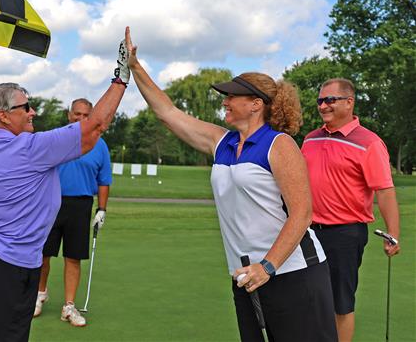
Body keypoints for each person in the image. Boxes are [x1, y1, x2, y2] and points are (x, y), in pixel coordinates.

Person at [125, 27, 337, 342]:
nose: (225, 101)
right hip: (246, 277)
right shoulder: (220, 141)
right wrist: (135, 66)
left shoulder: (279, 144)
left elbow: (302, 214)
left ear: (256, 104)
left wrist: (268, 266)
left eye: (232, 96)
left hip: (292, 274)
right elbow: (167, 112)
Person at [0, 35, 129, 342]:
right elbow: (95, 126)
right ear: (4, 116)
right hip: (3, 265)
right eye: (26, 107)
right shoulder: (30, 148)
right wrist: (121, 77)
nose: (33, 111)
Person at [301, 78, 400, 342]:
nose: (323, 105)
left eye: (330, 100)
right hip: (307, 232)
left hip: (344, 235)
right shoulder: (310, 139)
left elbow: (385, 190)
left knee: (340, 303)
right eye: (320, 100)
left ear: (349, 102)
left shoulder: (369, 142)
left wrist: (393, 233)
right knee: (308, 299)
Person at [33, 98, 112, 326]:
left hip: (81, 205)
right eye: (77, 114)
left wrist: (102, 209)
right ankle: (40, 294)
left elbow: (104, 180)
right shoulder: (57, 138)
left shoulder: (100, 144)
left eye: (86, 115)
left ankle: (69, 306)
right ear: (69, 115)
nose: (81, 119)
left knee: (73, 257)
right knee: (43, 254)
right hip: (51, 203)